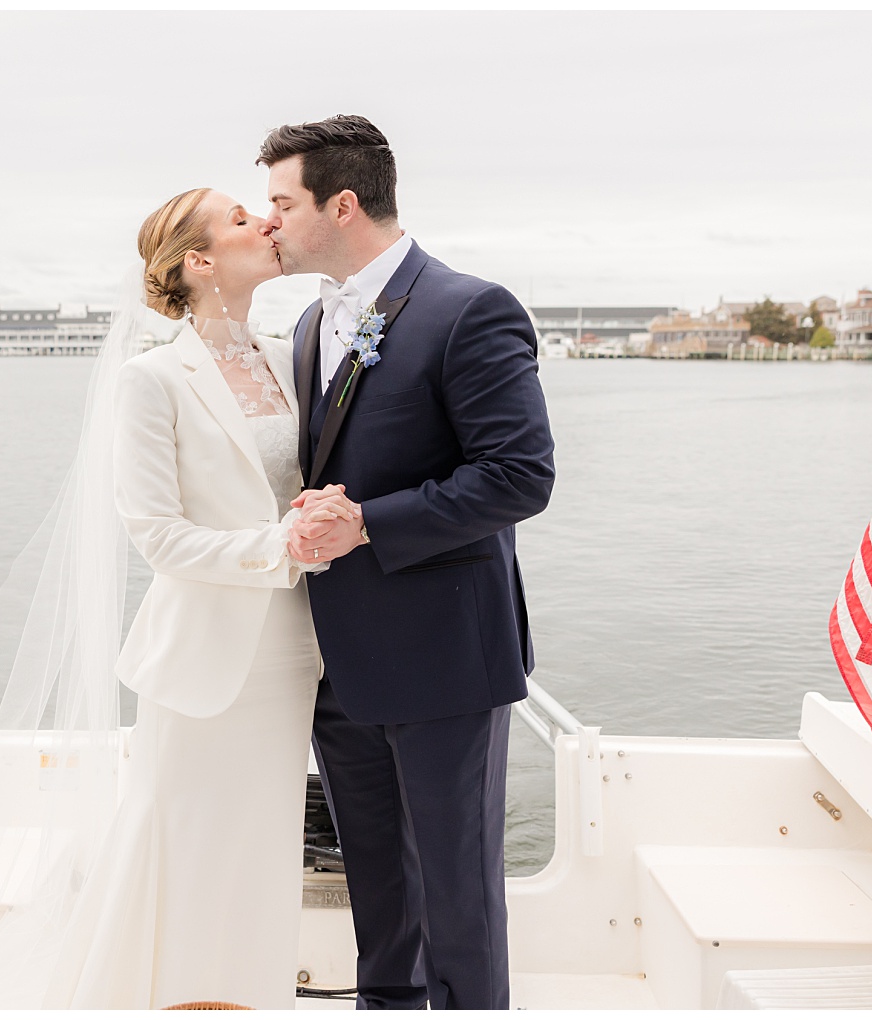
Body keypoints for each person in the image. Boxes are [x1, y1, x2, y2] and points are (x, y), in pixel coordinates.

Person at [257, 114, 556, 1010]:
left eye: (281, 201)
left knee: (457, 894)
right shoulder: (311, 324)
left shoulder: (470, 309)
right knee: (377, 891)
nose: (267, 221)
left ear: (341, 203)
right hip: (335, 661)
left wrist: (368, 525)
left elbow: (519, 476)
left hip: (444, 659)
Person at [38, 187, 361, 1008]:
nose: (268, 223)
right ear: (201, 261)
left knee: (258, 856)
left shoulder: (295, 356)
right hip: (205, 665)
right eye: (245, 218)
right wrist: (280, 546)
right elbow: (159, 536)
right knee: (184, 851)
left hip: (294, 656)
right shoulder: (152, 380)